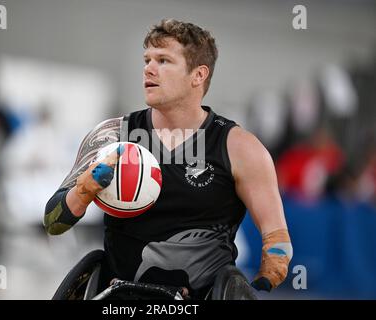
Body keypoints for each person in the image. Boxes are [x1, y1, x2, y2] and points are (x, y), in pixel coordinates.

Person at [44, 19, 293, 298]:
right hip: (120, 299)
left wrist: (272, 267)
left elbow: (277, 237)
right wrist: (83, 190)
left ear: (198, 75)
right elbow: (53, 222)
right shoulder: (112, 136)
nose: (149, 69)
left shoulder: (240, 147)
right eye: (147, 59)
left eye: (163, 60)